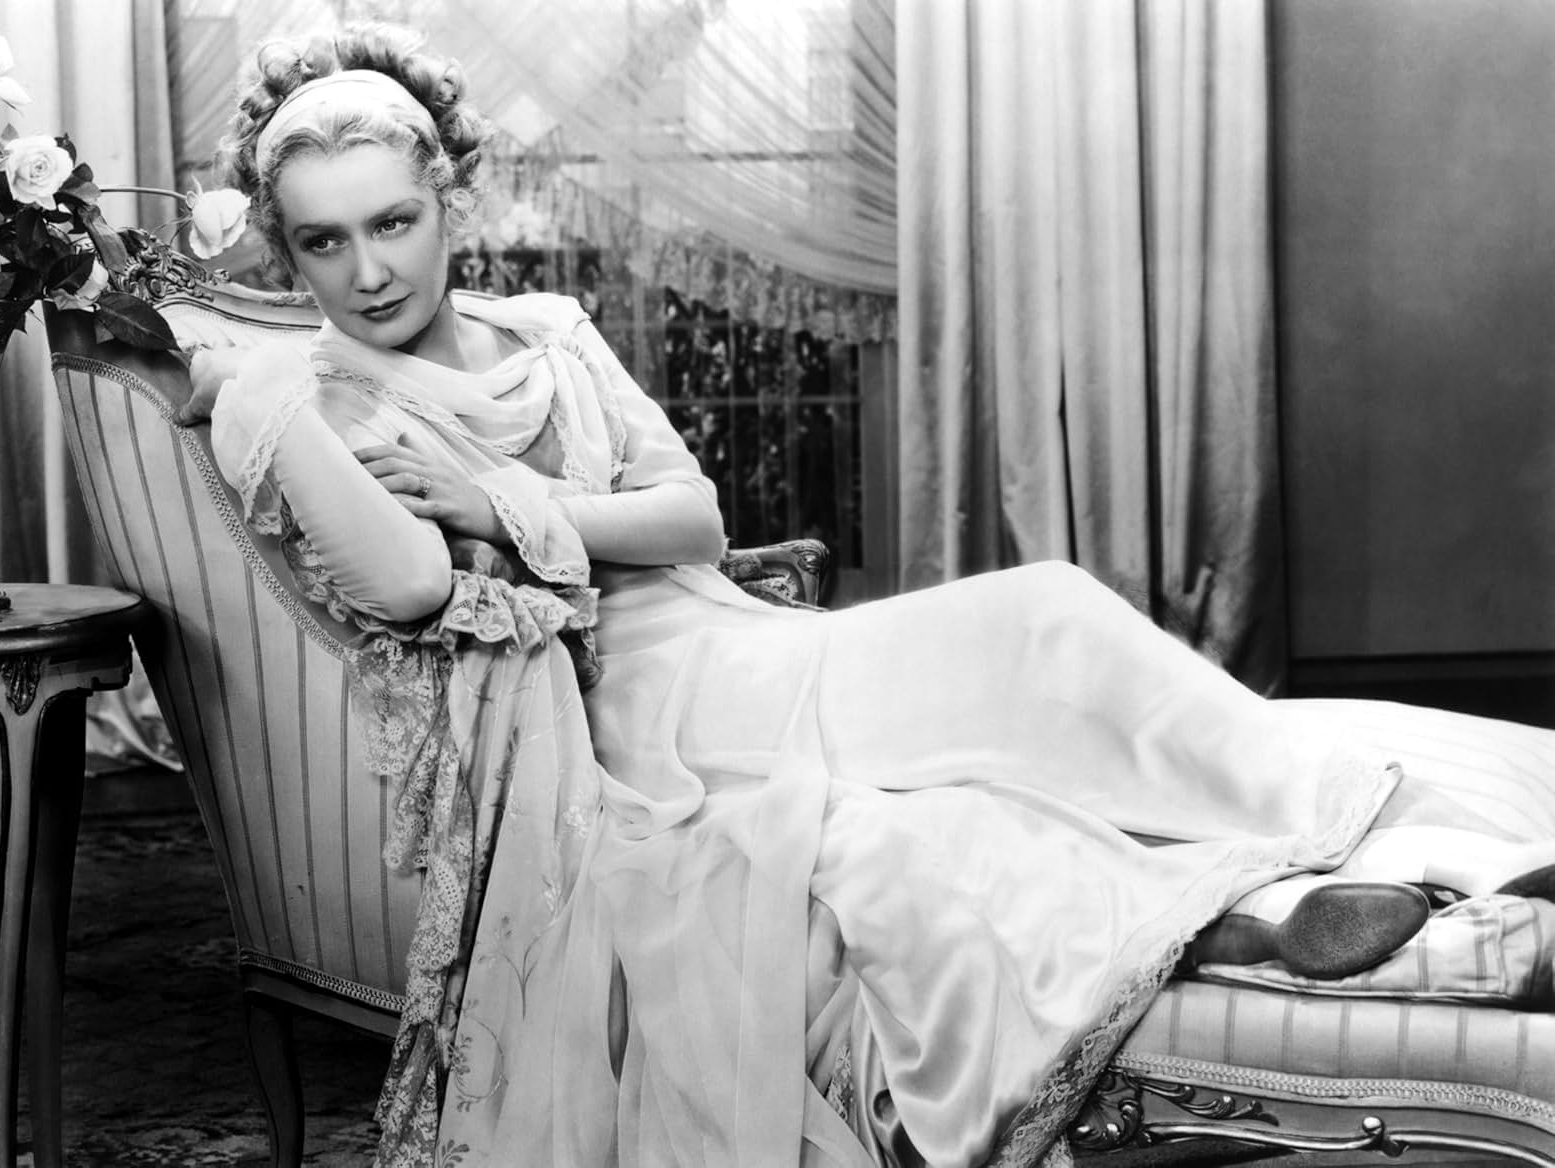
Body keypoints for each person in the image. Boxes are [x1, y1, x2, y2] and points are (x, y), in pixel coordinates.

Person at [197, 24, 1555, 1168]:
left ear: (450, 202)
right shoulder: (327, 410)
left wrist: (500, 497)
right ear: (287, 253)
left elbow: (693, 519)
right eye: (324, 243)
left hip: (745, 644)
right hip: (632, 725)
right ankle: (1290, 911)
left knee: (1050, 616)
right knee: (945, 815)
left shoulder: (550, 333)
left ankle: (1366, 850)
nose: (369, 272)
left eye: (394, 221)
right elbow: (415, 587)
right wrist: (214, 385)